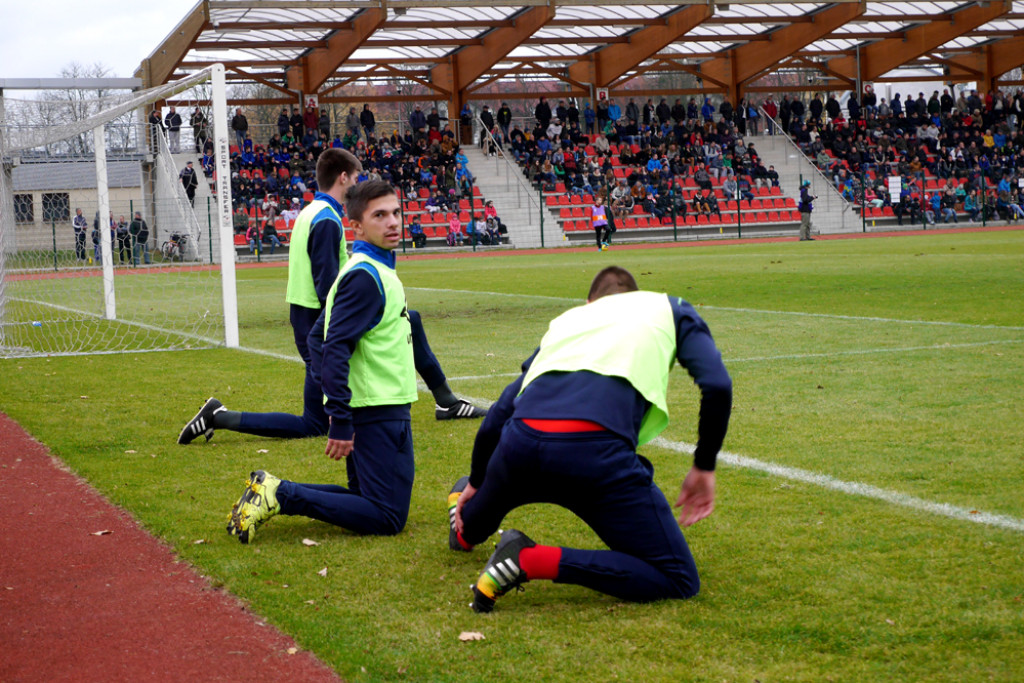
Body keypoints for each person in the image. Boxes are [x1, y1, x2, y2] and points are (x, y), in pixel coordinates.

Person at [447, 266, 732, 613]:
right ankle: (530, 560)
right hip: (593, 456)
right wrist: (704, 465)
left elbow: (500, 411)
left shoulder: (569, 322)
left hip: (518, 447)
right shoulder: (669, 308)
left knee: (468, 533)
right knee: (677, 578)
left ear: (590, 302)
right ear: (634, 297)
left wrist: (478, 480)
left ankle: (461, 507)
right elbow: (717, 385)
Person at [178, 149, 485, 445]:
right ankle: (219, 416)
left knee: (409, 320)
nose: (359, 184)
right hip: (318, 326)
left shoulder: (311, 212)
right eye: (356, 178)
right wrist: (340, 328)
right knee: (314, 424)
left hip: (306, 319)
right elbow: (327, 285)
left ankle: (446, 401)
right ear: (342, 178)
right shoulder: (326, 219)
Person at [226, 180, 419, 543]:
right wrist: (342, 418)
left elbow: (318, 337)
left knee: (369, 501)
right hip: (377, 409)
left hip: (376, 406)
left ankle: (271, 489)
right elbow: (333, 347)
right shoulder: (364, 275)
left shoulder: (370, 269)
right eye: (380, 215)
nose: (393, 222)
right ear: (357, 226)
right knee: (388, 516)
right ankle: (281, 495)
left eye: (396, 212)